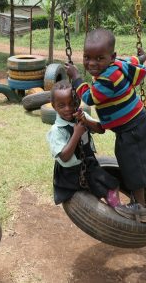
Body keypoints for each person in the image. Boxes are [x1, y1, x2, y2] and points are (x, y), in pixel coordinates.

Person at [65, 28, 146, 223]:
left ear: (111, 57)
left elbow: (88, 97)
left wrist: (76, 77)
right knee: (144, 156)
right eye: (87, 57)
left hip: (130, 128)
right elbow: (133, 61)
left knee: (132, 164)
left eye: (99, 58)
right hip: (138, 121)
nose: (92, 63)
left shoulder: (108, 79)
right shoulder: (118, 64)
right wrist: (141, 57)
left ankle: (141, 209)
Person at [46, 80, 121, 208]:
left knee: (112, 181)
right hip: (71, 172)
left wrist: (86, 121)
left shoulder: (82, 116)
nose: (68, 108)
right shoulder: (56, 130)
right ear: (54, 106)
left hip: (89, 163)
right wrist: (76, 133)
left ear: (78, 101)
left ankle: (113, 208)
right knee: (106, 186)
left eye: (71, 103)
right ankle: (115, 209)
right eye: (62, 105)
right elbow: (64, 156)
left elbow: (101, 129)